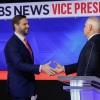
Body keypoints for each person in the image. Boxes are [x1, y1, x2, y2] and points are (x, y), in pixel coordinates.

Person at [4, 15, 56, 100]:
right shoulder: (12, 44)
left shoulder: (23, 41)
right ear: (16, 26)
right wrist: (40, 67)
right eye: (24, 24)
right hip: (20, 91)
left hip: (28, 89)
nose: (28, 26)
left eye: (28, 24)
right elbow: (19, 65)